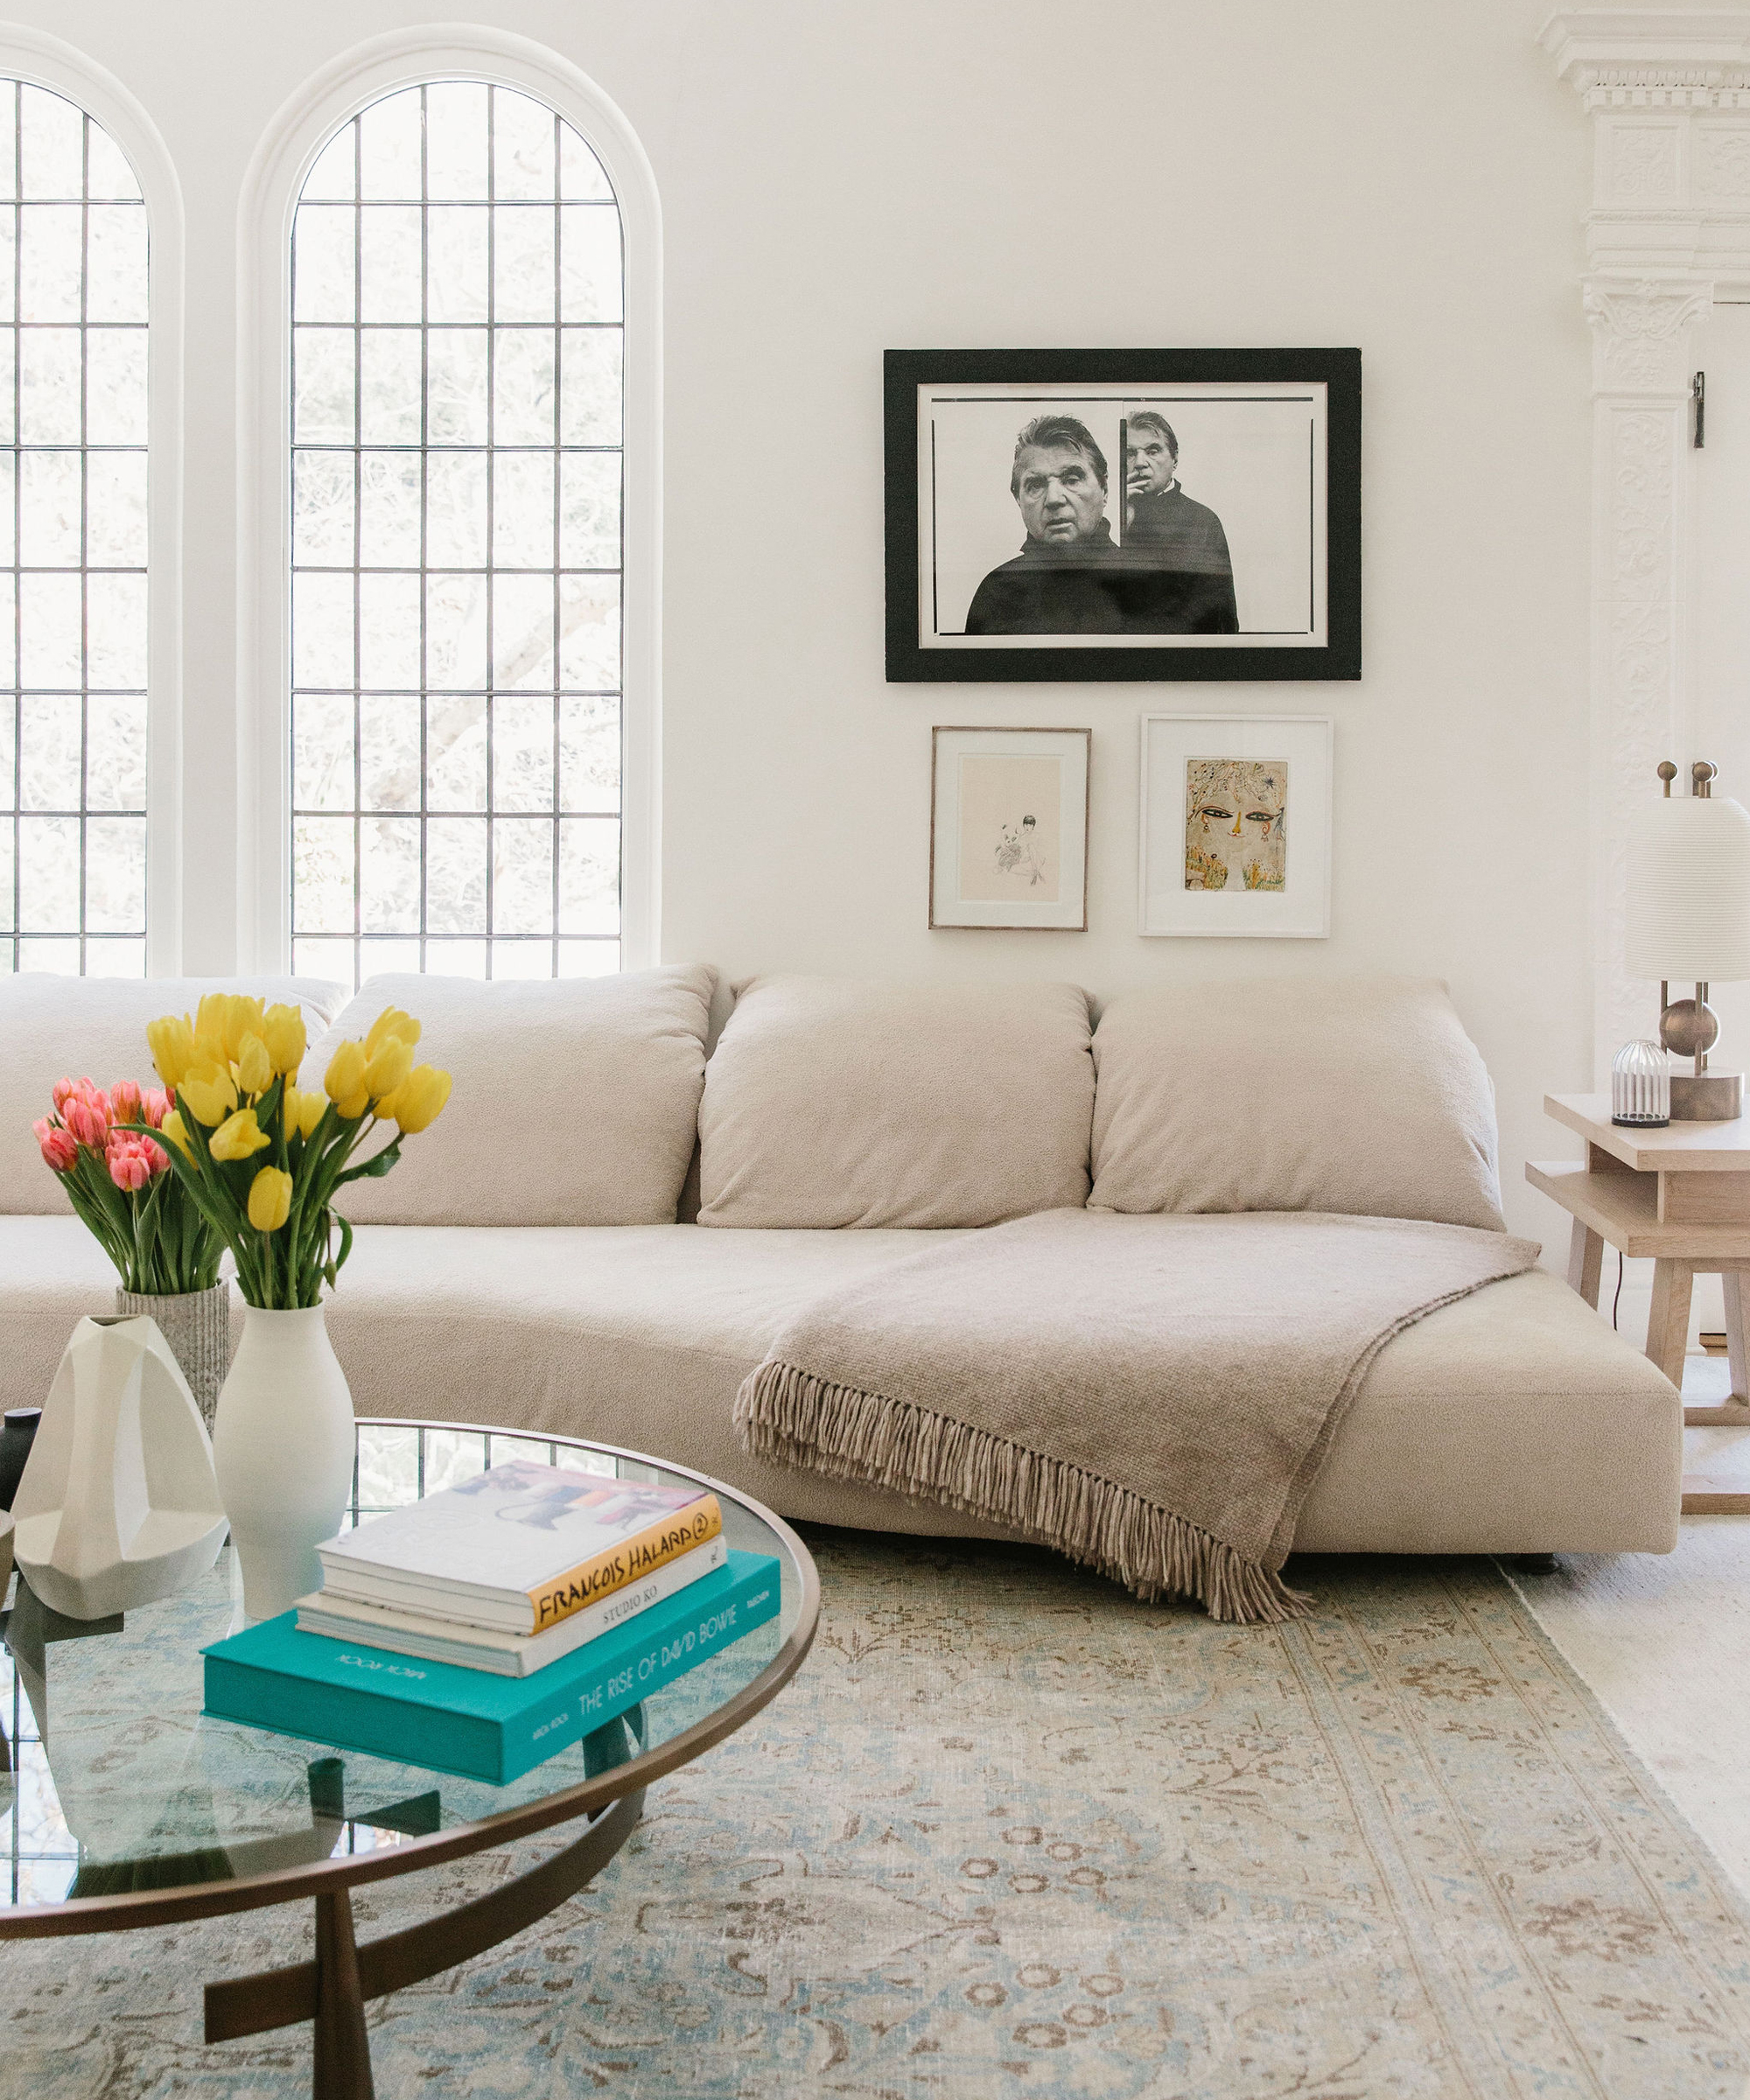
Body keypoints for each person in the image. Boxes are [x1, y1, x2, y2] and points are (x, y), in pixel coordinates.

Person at [964, 415, 1126, 634]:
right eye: (1036, 485)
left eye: (1072, 479)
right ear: (1018, 499)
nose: (1053, 499)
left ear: (1104, 489)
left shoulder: (1143, 585)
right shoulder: (997, 593)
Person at [1121, 411, 1239, 633]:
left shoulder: (1203, 520)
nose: (1139, 463)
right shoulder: (1104, 518)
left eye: (1152, 451)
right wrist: (1120, 518)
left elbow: (1222, 613)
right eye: (1129, 453)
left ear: (1174, 459)